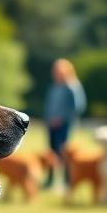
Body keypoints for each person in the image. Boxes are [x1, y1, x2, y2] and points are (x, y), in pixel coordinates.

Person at [42, 58, 86, 189]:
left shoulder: (72, 86)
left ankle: (68, 181)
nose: (56, 73)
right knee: (51, 152)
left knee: (65, 153)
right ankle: (50, 180)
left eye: (58, 70)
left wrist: (60, 118)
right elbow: (49, 105)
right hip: (51, 125)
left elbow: (78, 107)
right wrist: (49, 118)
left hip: (64, 126)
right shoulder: (54, 86)